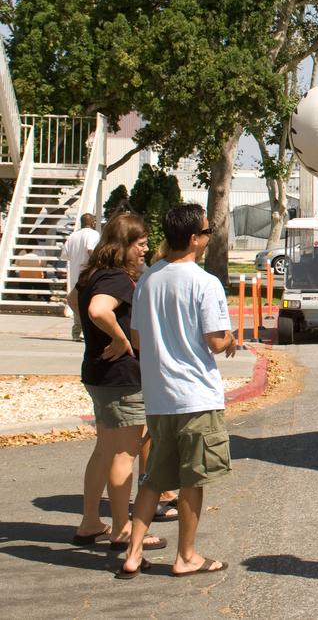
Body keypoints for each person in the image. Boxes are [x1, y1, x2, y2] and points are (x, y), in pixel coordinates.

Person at [116, 204, 235, 580]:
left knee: (154, 478)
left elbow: (137, 338)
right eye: (207, 232)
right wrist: (231, 337)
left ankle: (133, 552)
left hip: (159, 396)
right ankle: (186, 555)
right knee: (192, 480)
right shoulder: (204, 282)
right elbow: (216, 341)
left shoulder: (149, 278)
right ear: (196, 239)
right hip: (195, 396)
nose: (207, 237)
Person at [71, 212, 169, 551]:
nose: (144, 251)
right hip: (122, 378)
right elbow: (99, 310)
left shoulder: (91, 274)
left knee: (104, 449)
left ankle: (89, 521)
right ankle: (121, 529)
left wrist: (99, 336)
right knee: (124, 454)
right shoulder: (115, 278)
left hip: (97, 374)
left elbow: (76, 303)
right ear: (122, 245)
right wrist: (120, 338)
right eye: (140, 245)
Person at [62, 213, 101, 341]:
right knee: (87, 303)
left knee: (77, 304)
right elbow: (90, 249)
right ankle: (86, 332)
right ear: (93, 222)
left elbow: (65, 255)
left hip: (74, 275)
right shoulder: (93, 234)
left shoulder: (73, 236)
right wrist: (99, 264)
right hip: (87, 274)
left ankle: (76, 332)